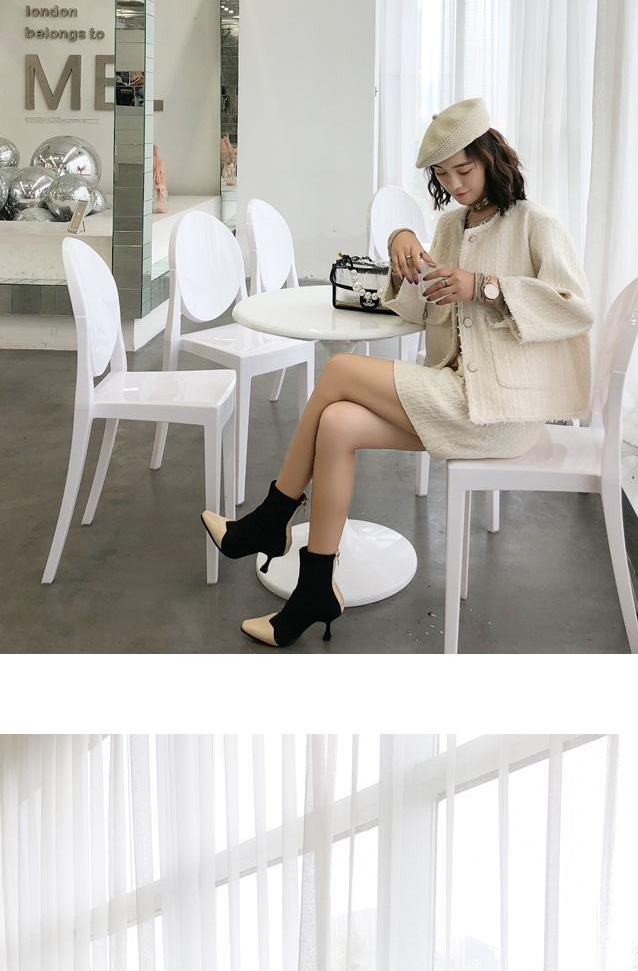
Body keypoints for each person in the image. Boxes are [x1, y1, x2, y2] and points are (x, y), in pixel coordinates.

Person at [201, 96, 593, 650]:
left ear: (492, 157)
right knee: (337, 424)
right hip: (454, 395)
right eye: (443, 175)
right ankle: (315, 587)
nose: (455, 184)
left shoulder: (535, 225)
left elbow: (576, 309)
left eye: (465, 169)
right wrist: (401, 243)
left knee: (339, 369)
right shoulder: (452, 226)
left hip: (499, 411)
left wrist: (485, 287)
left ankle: (272, 516)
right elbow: (416, 310)